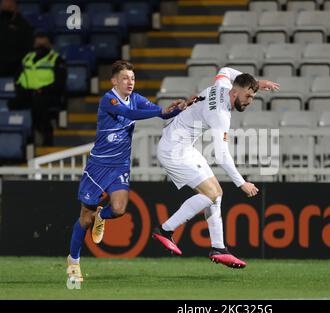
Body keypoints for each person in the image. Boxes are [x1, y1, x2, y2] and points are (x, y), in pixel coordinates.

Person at [66, 60, 188, 282]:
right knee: (84, 218)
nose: (130, 82)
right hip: (98, 166)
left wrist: (176, 110)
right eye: (125, 78)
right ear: (114, 81)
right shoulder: (109, 99)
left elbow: (158, 113)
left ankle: (101, 215)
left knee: (120, 209)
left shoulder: (136, 98)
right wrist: (159, 111)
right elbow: (129, 114)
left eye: (132, 78)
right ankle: (73, 262)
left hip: (120, 165)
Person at [152, 67, 280, 268]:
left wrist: (257, 83)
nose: (249, 101)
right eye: (248, 96)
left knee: (215, 195)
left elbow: (225, 70)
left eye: (253, 96)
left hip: (183, 145)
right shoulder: (221, 114)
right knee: (213, 193)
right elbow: (221, 155)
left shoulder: (223, 85)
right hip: (173, 150)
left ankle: (218, 248)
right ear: (235, 92)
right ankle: (165, 229)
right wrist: (242, 183)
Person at [9, 30, 66, 146]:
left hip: (48, 94)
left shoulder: (56, 59)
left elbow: (59, 83)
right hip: (28, 93)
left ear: (49, 42)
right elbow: (17, 78)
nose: (39, 41)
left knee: (39, 103)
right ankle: (19, 141)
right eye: (38, 38)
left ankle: (47, 136)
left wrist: (42, 90)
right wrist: (21, 89)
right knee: (12, 103)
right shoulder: (27, 58)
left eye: (43, 38)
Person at [0, 0, 34, 77]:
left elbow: (28, 48)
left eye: (9, 6)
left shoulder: (24, 25)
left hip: (17, 66)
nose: (6, 8)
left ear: (15, 7)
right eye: (4, 6)